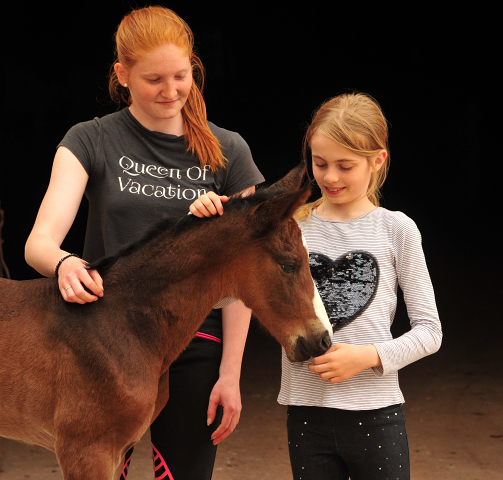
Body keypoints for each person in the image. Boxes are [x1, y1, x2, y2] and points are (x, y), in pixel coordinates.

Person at [25, 6, 264, 480]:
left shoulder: (229, 151)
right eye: (154, 79)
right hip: (105, 344)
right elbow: (39, 241)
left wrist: (230, 373)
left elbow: (242, 273)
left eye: (181, 76)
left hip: (195, 342)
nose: (171, 91)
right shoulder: (90, 139)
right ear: (122, 74)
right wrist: (64, 263)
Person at [192, 92, 442, 480]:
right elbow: (227, 293)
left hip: (376, 415)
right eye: (319, 163)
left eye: (345, 166)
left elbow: (430, 331)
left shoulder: (397, 229)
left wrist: (368, 356)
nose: (329, 177)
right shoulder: (290, 228)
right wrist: (212, 226)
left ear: (378, 160)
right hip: (306, 415)